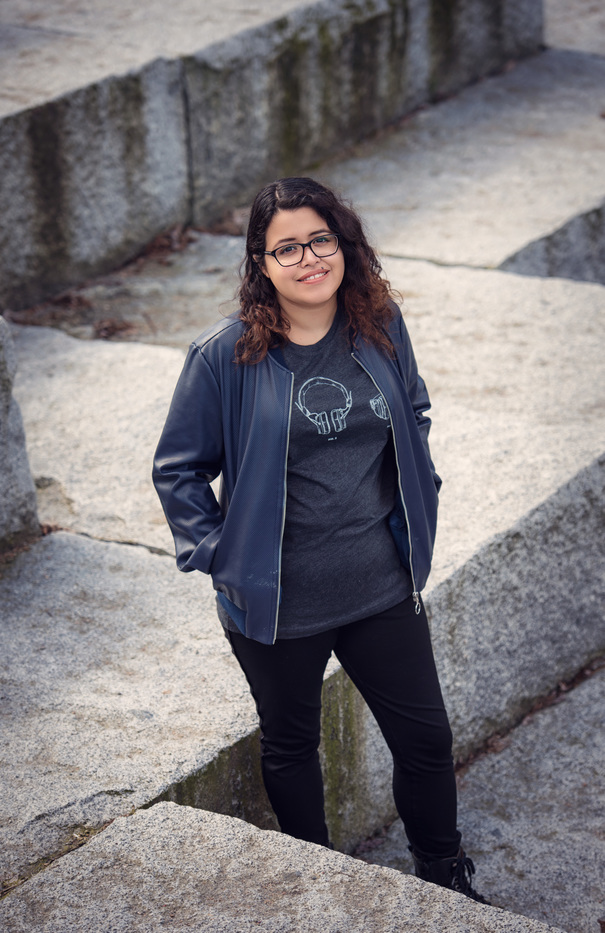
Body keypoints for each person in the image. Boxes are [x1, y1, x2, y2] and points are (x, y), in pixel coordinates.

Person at [153, 176, 487, 902]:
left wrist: (421, 487)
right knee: (291, 745)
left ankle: (443, 873)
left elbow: (413, 409)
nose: (308, 258)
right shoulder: (224, 357)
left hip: (380, 583)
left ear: (343, 243)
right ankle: (322, 882)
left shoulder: (379, 322)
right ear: (261, 263)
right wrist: (223, 557)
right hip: (279, 604)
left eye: (320, 239)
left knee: (426, 739)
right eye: (287, 248)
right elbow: (178, 470)